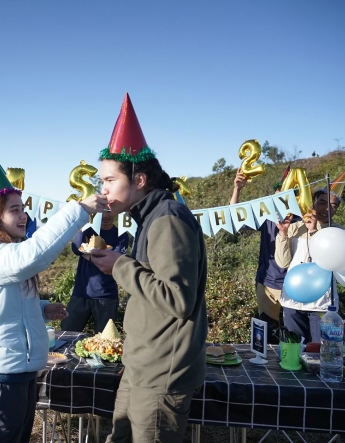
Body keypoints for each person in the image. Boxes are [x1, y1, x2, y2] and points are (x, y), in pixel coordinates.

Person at [0, 148, 106, 443]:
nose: (23, 215)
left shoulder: (0, 249)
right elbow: (33, 256)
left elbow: (0, 301)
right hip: (0, 370)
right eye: (14, 209)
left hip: (19, 368)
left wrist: (41, 307)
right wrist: (80, 210)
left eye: (23, 208)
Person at [90, 94, 208, 442]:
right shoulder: (149, 218)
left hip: (162, 373)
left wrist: (120, 266)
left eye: (109, 180)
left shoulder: (167, 220)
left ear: (139, 179)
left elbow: (178, 298)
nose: (104, 189)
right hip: (142, 364)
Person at [230, 168, 298, 341]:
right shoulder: (268, 217)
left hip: (297, 286)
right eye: (277, 196)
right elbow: (235, 221)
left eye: (285, 196)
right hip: (268, 283)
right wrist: (237, 189)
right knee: (268, 333)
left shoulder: (305, 219)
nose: (280, 201)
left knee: (296, 336)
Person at [275, 188, 344, 343]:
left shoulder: (339, 232)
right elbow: (283, 262)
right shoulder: (295, 226)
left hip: (321, 304)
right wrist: (283, 233)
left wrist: (313, 231)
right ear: (312, 203)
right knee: (295, 350)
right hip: (292, 301)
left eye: (332, 206)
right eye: (321, 203)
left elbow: (331, 261)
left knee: (320, 351)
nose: (326, 209)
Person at [61, 210, 129, 333]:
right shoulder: (89, 230)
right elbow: (76, 249)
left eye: (110, 212)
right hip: (81, 293)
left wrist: (89, 256)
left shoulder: (121, 235)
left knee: (105, 341)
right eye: (103, 211)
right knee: (66, 334)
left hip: (106, 296)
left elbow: (113, 263)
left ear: (116, 213)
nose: (106, 215)